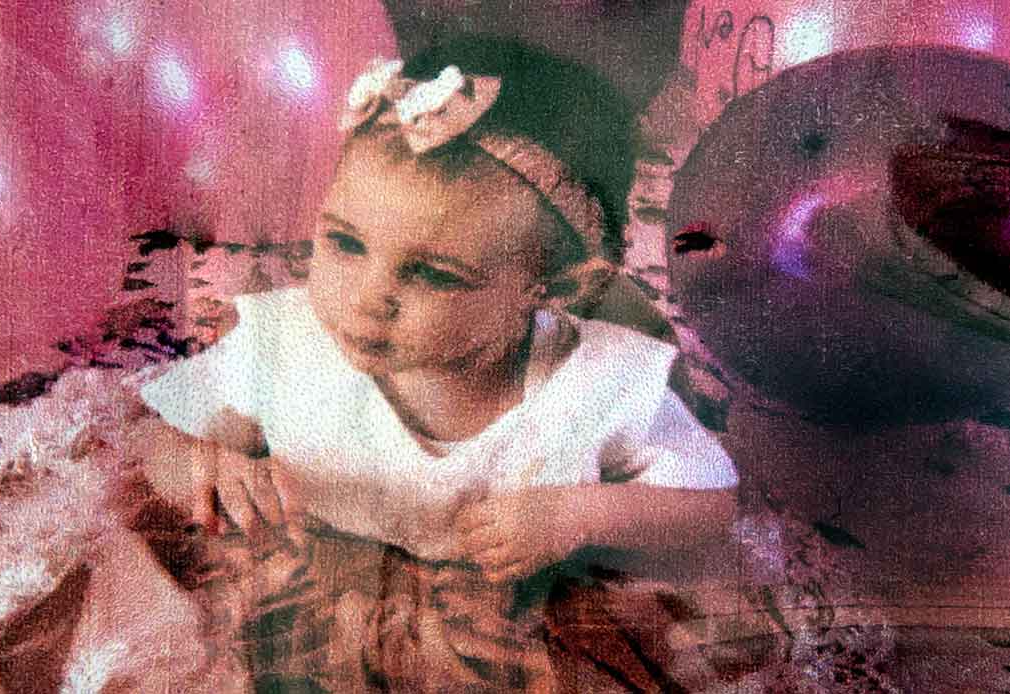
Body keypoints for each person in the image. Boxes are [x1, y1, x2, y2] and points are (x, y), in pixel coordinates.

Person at [132, 35, 738, 691]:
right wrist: (204, 462)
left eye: (433, 274)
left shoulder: (596, 383)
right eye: (345, 243)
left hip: (507, 626)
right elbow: (162, 436)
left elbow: (710, 505)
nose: (368, 297)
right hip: (305, 606)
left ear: (554, 290)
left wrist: (576, 516)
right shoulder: (286, 344)